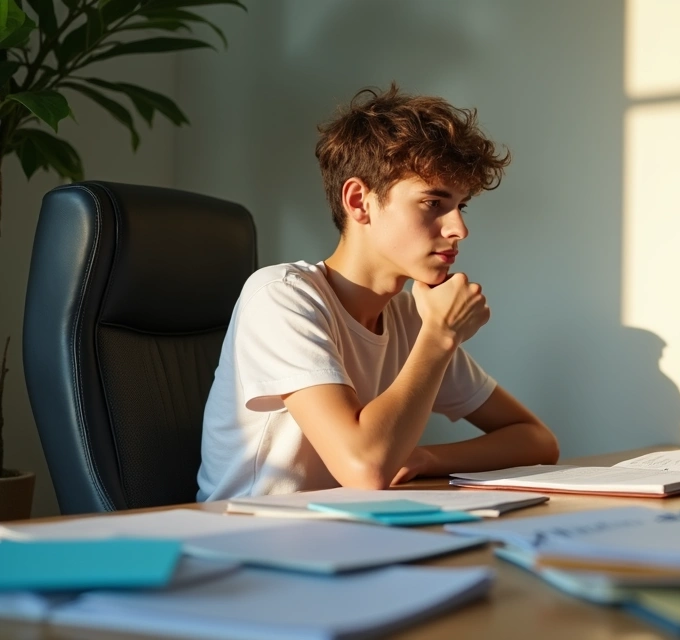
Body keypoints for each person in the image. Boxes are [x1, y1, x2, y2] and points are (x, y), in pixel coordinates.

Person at [196, 84, 560, 501]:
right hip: (249, 542)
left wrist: (426, 458)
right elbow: (364, 467)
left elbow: (536, 440)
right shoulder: (281, 296)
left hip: (356, 537)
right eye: (432, 203)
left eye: (461, 206)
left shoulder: (409, 318)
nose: (459, 229)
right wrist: (440, 337)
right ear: (359, 201)